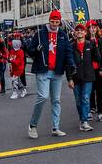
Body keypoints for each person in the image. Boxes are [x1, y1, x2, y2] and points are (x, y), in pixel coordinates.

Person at [23, 10, 75, 139]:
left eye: (57, 22)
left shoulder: (62, 34)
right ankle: (33, 125)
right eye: (52, 21)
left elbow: (68, 52)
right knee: (43, 96)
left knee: (56, 100)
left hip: (57, 71)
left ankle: (55, 127)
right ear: (49, 20)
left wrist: (72, 64)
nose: (54, 24)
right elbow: (29, 51)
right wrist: (36, 49)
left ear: (59, 22)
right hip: (42, 70)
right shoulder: (40, 34)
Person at [72, 20, 102, 131]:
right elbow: (68, 64)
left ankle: (84, 121)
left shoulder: (90, 44)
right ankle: (82, 118)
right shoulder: (71, 46)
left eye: (81, 30)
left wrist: (95, 45)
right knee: (78, 101)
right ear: (75, 33)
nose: (79, 32)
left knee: (85, 98)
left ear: (85, 33)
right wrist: (70, 78)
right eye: (77, 30)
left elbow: (98, 58)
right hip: (76, 77)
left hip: (88, 76)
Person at [87, 20, 102, 122]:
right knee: (90, 91)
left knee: (100, 91)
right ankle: (91, 109)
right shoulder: (86, 40)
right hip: (90, 70)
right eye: (91, 28)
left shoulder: (101, 40)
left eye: (94, 27)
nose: (93, 29)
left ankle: (100, 111)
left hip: (99, 69)